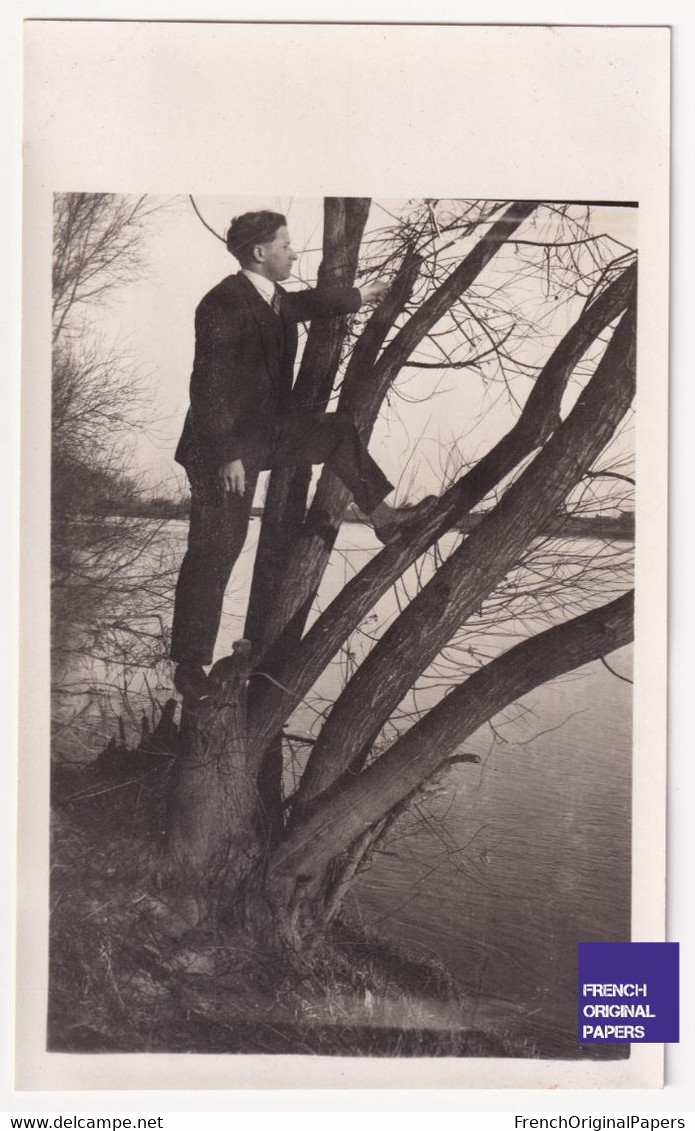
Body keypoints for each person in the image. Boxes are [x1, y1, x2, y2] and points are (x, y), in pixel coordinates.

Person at [171, 210, 433, 701]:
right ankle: (189, 669)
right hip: (218, 449)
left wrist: (362, 295)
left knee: (335, 431)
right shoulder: (223, 302)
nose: (294, 253)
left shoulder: (274, 301)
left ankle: (385, 519)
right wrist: (227, 454)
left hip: (262, 437)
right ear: (258, 253)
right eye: (286, 244)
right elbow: (205, 385)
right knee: (216, 550)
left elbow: (311, 303)